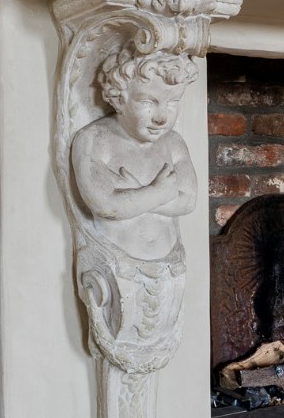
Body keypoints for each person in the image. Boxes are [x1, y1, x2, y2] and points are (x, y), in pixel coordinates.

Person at [71, 46, 200, 261]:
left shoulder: (173, 143)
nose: (161, 117)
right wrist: (159, 192)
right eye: (148, 102)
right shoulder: (94, 139)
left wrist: (136, 195)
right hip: (115, 261)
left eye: (173, 102)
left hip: (171, 260)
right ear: (119, 99)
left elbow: (188, 201)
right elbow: (105, 204)